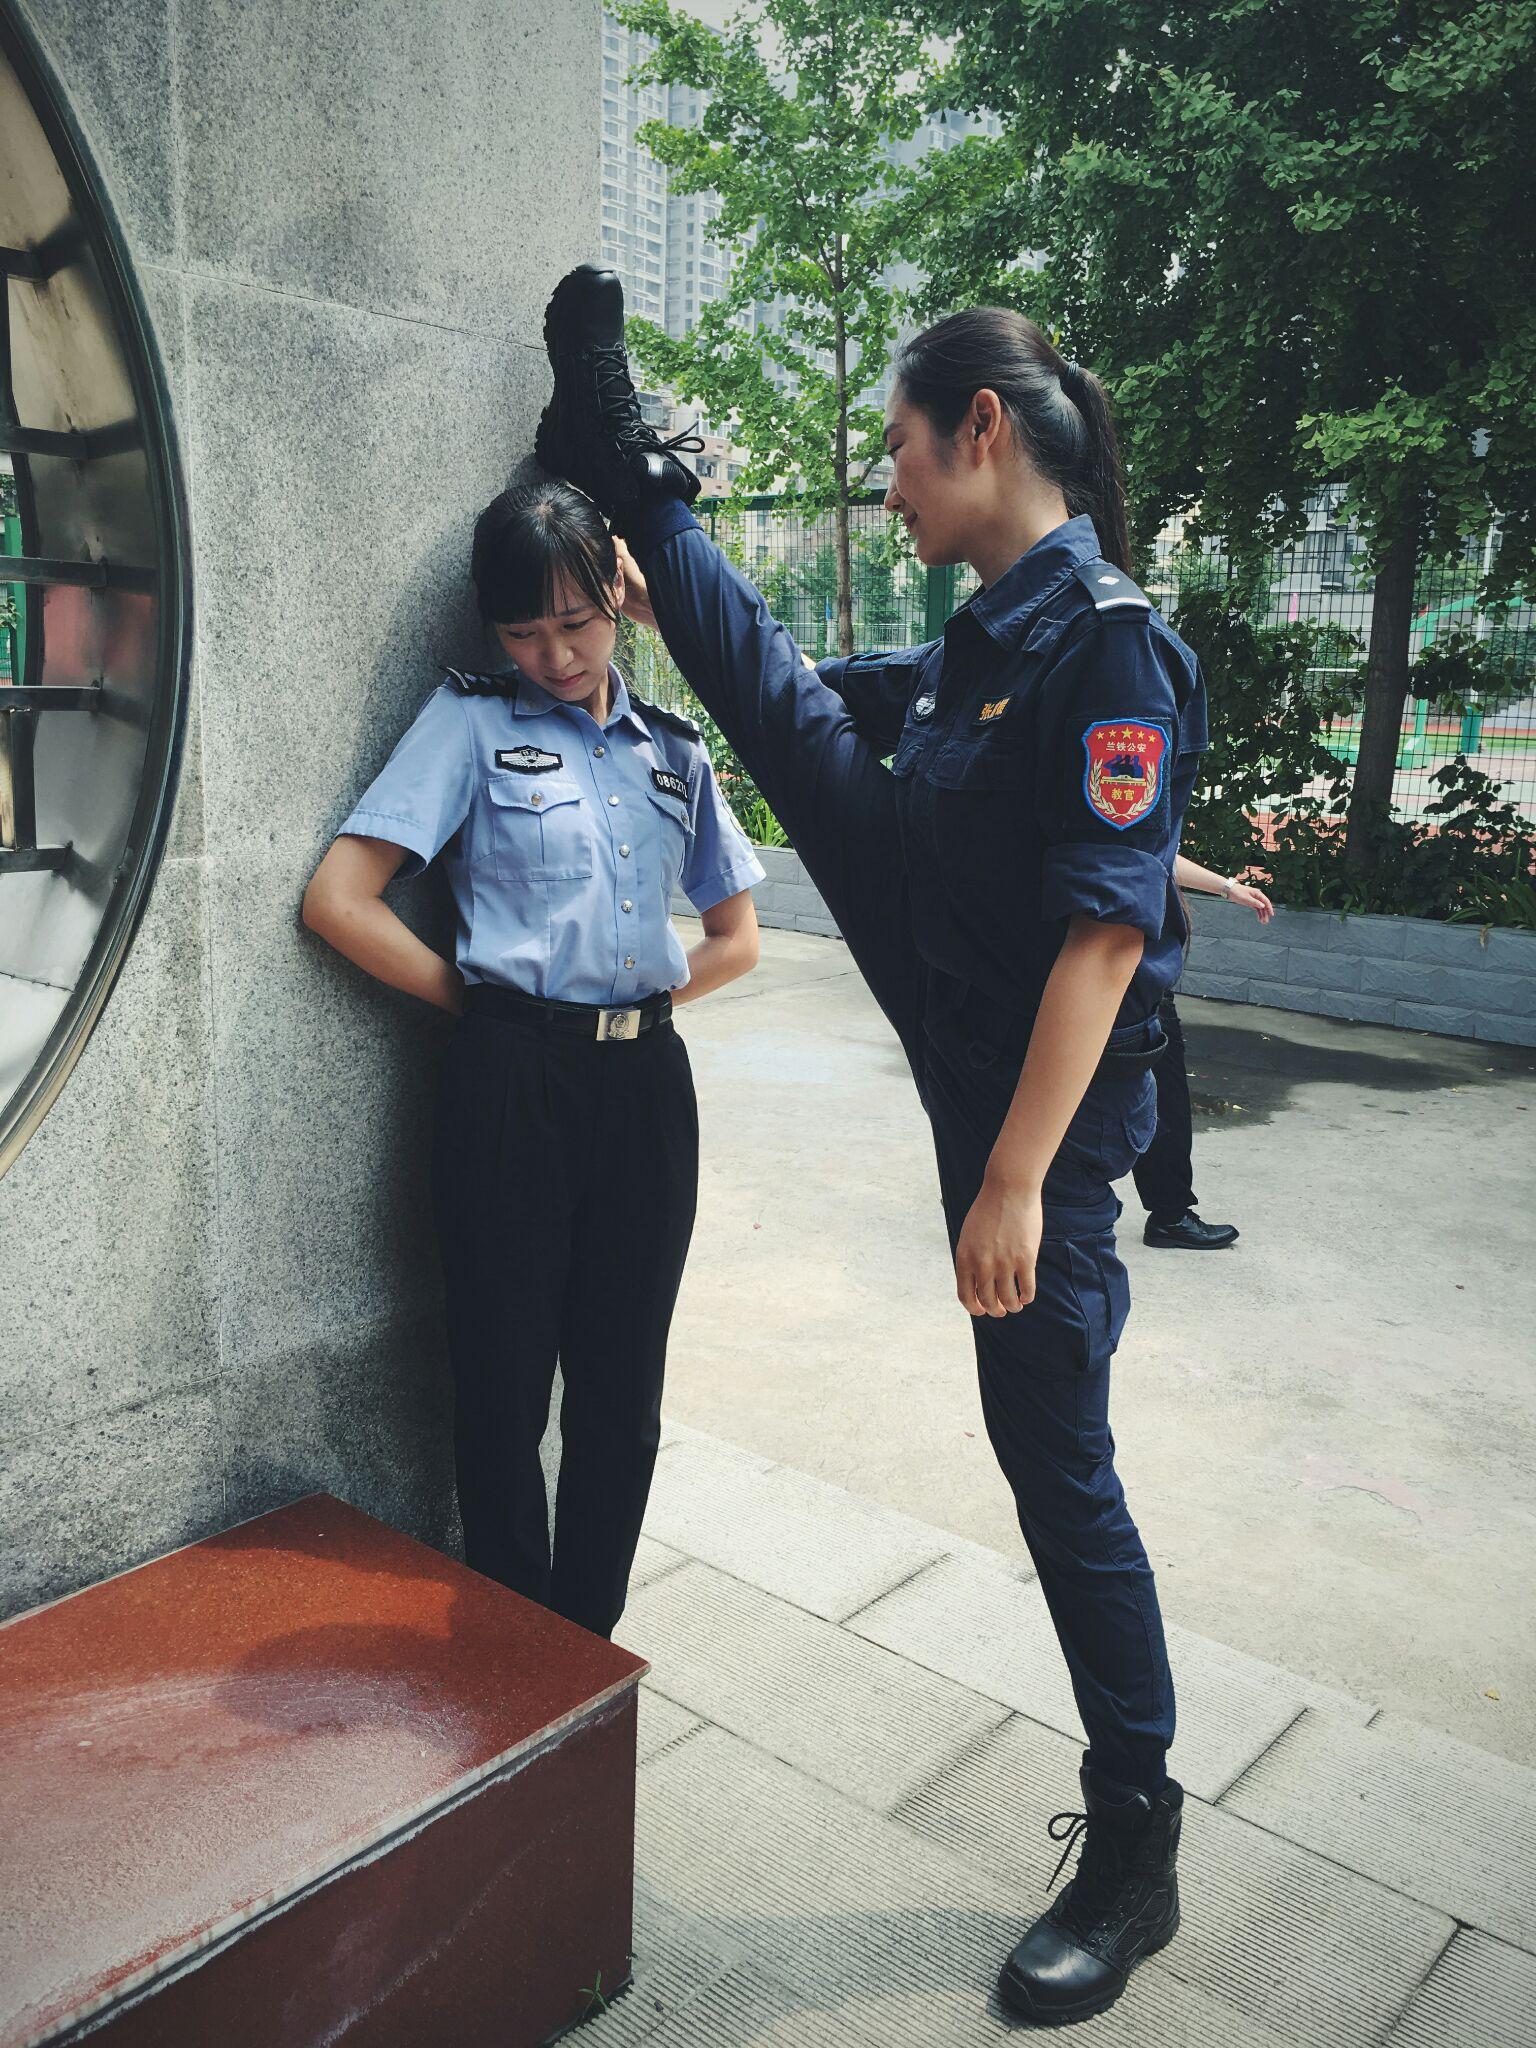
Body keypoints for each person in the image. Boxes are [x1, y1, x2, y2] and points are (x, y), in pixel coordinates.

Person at [534, 266, 1207, 2026]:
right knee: (777, 702)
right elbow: (854, 719)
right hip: (955, 1015)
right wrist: (646, 597)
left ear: (983, 430)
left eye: (899, 449)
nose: (889, 484)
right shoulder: (989, 637)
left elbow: (1103, 935)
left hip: (1031, 1134)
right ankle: (623, 474)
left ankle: (1136, 1845)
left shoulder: (1107, 636)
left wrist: (1007, 1180)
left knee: (1055, 1460)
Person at [301, 479, 764, 1639]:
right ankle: (514, 1649)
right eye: (522, 630)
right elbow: (338, 899)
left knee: (624, 1401)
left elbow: (735, 937)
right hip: (509, 1082)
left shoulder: (672, 748)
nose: (553, 654)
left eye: (577, 622)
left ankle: (584, 1648)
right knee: (504, 1389)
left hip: (646, 1091)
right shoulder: (468, 724)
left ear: (620, 596)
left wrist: (637, 994)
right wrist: (486, 998)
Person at [1135, 857, 1275, 1249]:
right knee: (1163, 1097)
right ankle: (1169, 1215)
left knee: (1159, 1097)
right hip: (1124, 969)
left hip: (1134, 969)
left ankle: (1169, 1212)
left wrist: (1228, 887)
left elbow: (1159, 849)